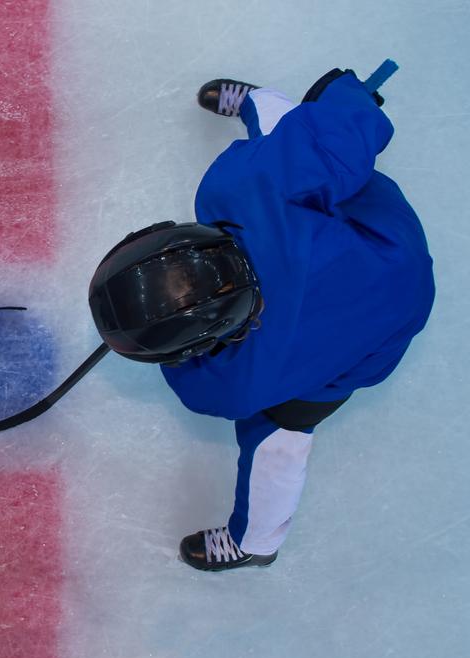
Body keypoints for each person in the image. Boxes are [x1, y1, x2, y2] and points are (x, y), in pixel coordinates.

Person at [88, 65, 434, 571]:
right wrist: (345, 94)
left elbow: (200, 377)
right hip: (389, 244)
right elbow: (343, 135)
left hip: (376, 331)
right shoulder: (244, 189)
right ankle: (263, 102)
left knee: (278, 432)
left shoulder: (230, 382)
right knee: (298, 149)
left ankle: (256, 542)